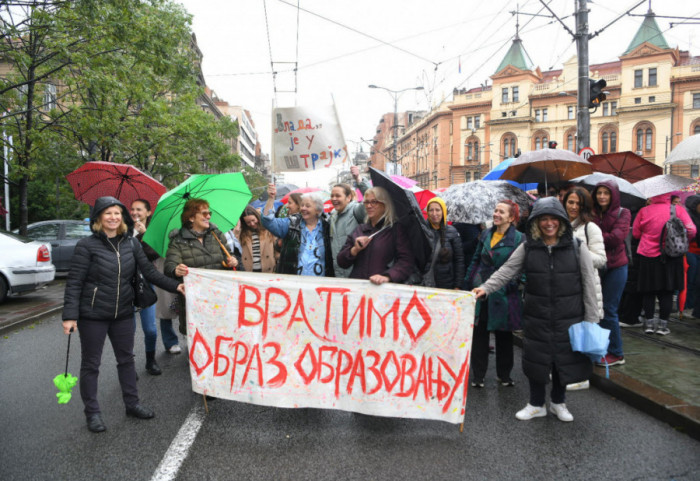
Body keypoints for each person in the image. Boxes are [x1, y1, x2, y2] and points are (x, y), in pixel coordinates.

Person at [62, 196, 184, 433]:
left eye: (117, 213)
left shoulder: (131, 244)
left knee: (126, 360)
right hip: (93, 315)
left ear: (123, 217)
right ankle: (93, 413)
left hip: (123, 313)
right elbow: (74, 283)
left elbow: (150, 272)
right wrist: (69, 316)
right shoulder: (86, 246)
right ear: (98, 217)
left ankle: (132, 404)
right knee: (91, 365)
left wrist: (175, 285)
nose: (113, 217)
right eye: (108, 213)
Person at [473, 197, 598, 422]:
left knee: (563, 360)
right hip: (537, 312)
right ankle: (536, 403)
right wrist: (485, 288)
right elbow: (507, 270)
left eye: (554, 219)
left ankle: (558, 403)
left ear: (561, 221)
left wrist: (592, 318)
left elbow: (589, 284)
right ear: (536, 222)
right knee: (536, 359)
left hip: (568, 315)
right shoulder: (529, 246)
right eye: (543, 219)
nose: (549, 223)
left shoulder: (577, 247)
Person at [464, 200, 522, 388]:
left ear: (511, 218)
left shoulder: (520, 239)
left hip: (505, 292)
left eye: (501, 212)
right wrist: (468, 283)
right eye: (495, 211)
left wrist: (516, 283)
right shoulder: (486, 234)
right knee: (479, 334)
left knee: (504, 336)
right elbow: (475, 260)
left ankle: (504, 375)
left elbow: (523, 269)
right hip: (481, 290)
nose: (496, 214)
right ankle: (478, 375)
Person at [164, 198, 240, 335]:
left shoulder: (216, 235)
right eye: (204, 213)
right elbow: (169, 266)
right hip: (195, 303)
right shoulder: (178, 241)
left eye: (209, 213)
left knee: (222, 338)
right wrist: (176, 270)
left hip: (220, 298)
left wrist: (232, 261)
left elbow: (228, 256)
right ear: (191, 218)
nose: (208, 216)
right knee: (198, 344)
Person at [561, 187, 607, 390]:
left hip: (585, 286)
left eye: (577, 203)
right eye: (570, 202)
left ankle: (581, 377)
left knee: (583, 330)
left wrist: (579, 252)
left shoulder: (591, 228)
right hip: (565, 286)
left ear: (584, 206)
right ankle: (567, 373)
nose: (573, 207)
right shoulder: (561, 225)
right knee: (568, 331)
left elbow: (602, 259)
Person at [130, 199, 181, 375]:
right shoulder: (124, 230)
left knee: (153, 327)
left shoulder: (154, 230)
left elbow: (154, 253)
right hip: (128, 284)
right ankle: (130, 365)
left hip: (149, 280)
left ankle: (151, 360)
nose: (135, 212)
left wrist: (144, 235)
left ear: (148, 212)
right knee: (128, 330)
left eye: (139, 209)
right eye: (132, 209)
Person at [633, 192, 696, 335]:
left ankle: (649, 324)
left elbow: (636, 234)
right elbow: (691, 229)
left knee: (648, 292)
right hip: (671, 256)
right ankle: (663, 326)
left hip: (647, 255)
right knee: (667, 292)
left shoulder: (644, 211)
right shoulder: (677, 209)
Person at [337, 187, 414, 284]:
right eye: (366, 202)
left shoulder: (395, 230)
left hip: (382, 289)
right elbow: (341, 262)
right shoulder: (360, 229)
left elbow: (406, 262)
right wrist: (354, 250)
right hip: (358, 288)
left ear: (385, 204)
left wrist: (387, 276)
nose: (369, 206)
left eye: (374, 202)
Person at [591, 180, 630, 367]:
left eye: (606, 193)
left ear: (613, 195)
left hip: (616, 266)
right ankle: (601, 348)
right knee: (596, 309)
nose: (602, 196)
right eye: (599, 193)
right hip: (597, 266)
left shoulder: (624, 212)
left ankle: (617, 353)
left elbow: (616, 239)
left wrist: (595, 235)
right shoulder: (591, 213)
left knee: (609, 309)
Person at [262, 184, 334, 277]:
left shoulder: (327, 227)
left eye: (307, 206)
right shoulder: (291, 223)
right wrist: (271, 199)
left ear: (318, 210)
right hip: (293, 282)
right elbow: (268, 222)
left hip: (319, 285)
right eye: (302, 205)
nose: (303, 208)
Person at [422, 197, 464, 289]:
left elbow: (459, 260)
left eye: (437, 210)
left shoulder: (452, 232)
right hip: (424, 283)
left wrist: (458, 285)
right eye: (431, 210)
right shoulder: (422, 230)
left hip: (446, 283)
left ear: (443, 211)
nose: (434, 214)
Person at [329, 183, 366, 278]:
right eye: (332, 196)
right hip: (339, 274)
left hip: (357, 274)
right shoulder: (332, 216)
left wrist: (360, 181)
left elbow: (371, 198)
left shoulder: (357, 211)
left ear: (348, 197)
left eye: (338, 196)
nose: (334, 199)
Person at [237, 206, 278, 273]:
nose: (252, 224)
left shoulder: (268, 230)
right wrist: (236, 232)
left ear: (257, 217)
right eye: (248, 222)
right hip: (249, 271)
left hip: (268, 270)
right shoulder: (241, 233)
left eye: (253, 220)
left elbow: (277, 250)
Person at [684, 195, 700, 318]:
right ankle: (686, 305)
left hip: (697, 251)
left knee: (696, 281)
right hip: (690, 251)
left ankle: (692, 305)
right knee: (690, 279)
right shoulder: (689, 216)